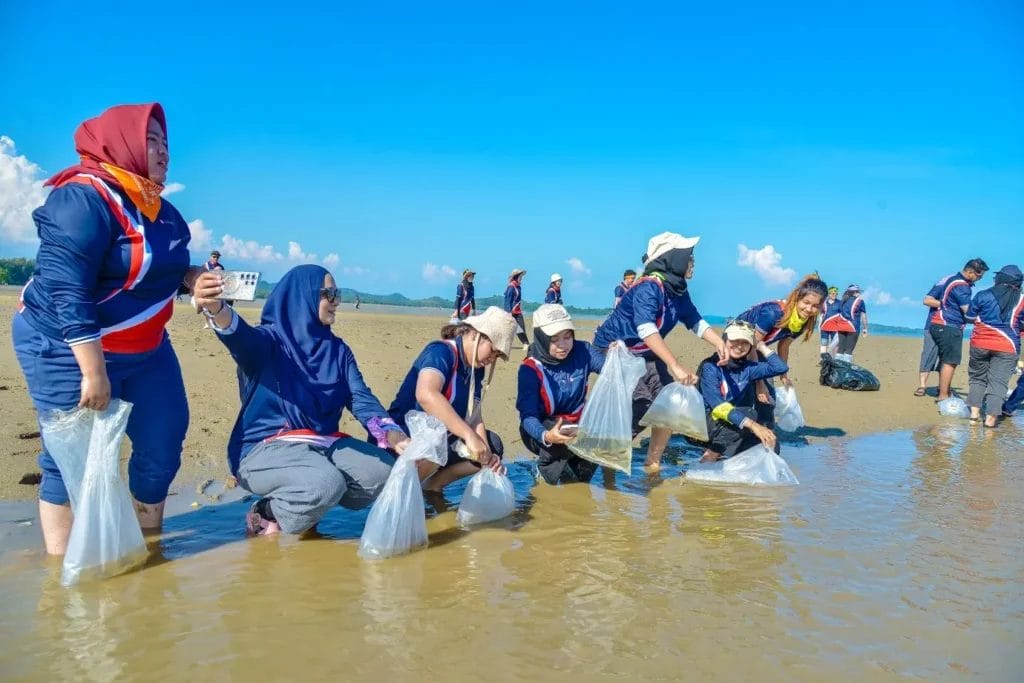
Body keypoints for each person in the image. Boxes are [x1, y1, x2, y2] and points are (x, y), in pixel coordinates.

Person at [11, 103, 196, 554]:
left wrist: (193, 280)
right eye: (151, 141)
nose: (163, 152)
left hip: (148, 351)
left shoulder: (161, 210)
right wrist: (93, 371)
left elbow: (165, 267)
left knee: (163, 441)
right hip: (66, 348)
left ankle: (149, 545)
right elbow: (65, 285)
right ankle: (63, 569)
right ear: (122, 143)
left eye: (166, 144)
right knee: (71, 456)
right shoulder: (82, 198)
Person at [193, 264, 410, 536]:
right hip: (266, 446)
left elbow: (359, 397)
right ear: (301, 296)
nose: (336, 302)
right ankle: (265, 512)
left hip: (321, 442)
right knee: (323, 483)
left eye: (338, 294)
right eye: (328, 294)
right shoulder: (269, 342)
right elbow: (238, 336)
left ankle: (304, 501)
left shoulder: (338, 351)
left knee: (382, 472)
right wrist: (216, 308)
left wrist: (390, 432)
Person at [592, 231, 727, 469]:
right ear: (673, 259)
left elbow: (694, 320)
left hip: (644, 352)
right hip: (615, 350)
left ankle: (652, 462)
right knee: (644, 403)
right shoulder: (648, 287)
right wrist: (674, 365)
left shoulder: (677, 289)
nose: (693, 263)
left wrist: (719, 343)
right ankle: (608, 454)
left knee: (669, 401)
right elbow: (646, 329)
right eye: (689, 257)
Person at [388, 307, 515, 491]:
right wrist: (469, 436)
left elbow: (475, 415)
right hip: (403, 439)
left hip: (444, 439)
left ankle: (432, 487)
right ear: (475, 335)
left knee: (493, 446)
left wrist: (486, 454)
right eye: (493, 351)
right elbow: (426, 394)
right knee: (435, 445)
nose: (492, 359)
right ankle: (403, 490)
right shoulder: (441, 352)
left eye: (497, 356)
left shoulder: (476, 368)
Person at [516, 305, 607, 484]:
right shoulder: (530, 369)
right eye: (554, 339)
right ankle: (543, 471)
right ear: (541, 338)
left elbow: (609, 368)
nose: (563, 345)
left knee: (581, 480)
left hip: (577, 425)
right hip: (542, 432)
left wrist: (616, 354)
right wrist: (546, 436)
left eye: (567, 337)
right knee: (560, 438)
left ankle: (577, 475)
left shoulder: (583, 351)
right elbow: (527, 417)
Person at [697, 321, 786, 462]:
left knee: (771, 443)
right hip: (703, 426)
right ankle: (707, 460)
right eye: (734, 340)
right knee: (749, 414)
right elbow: (718, 407)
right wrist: (754, 425)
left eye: (745, 342)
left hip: (729, 424)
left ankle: (726, 461)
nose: (739, 346)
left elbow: (780, 368)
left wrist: (761, 345)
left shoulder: (747, 368)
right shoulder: (710, 367)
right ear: (724, 340)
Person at [734, 274, 829, 405]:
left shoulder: (801, 321)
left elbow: (784, 346)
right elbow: (752, 344)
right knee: (745, 390)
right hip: (737, 345)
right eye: (806, 303)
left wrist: (783, 375)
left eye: (815, 306)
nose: (809, 309)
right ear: (797, 298)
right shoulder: (773, 313)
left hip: (757, 347)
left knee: (768, 399)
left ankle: (765, 422)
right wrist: (759, 383)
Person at [965, 265, 1024, 427]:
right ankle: (990, 421)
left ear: (1000, 279)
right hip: (1008, 345)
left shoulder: (983, 295)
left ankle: (974, 416)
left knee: (977, 379)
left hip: (980, 342)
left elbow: (969, 316)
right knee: (998, 383)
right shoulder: (1022, 300)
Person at [924, 258, 989, 400]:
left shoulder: (954, 280)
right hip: (948, 325)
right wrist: (984, 320)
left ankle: (944, 391)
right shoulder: (961, 286)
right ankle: (943, 395)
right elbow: (968, 312)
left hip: (941, 325)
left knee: (946, 360)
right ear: (971, 272)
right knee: (950, 361)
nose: (980, 279)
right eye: (979, 276)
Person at [833, 284, 868, 363]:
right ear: (856, 292)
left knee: (840, 349)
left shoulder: (842, 301)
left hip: (841, 327)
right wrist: (865, 328)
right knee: (849, 350)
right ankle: (846, 369)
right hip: (853, 327)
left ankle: (837, 367)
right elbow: (864, 317)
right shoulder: (860, 301)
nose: (859, 293)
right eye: (859, 291)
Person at [914, 299, 942, 397]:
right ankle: (922, 385)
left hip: (952, 327)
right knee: (928, 355)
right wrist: (948, 304)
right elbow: (927, 301)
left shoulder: (963, 286)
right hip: (932, 325)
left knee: (946, 359)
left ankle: (942, 387)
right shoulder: (941, 284)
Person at [504, 268, 530, 349]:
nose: (521, 278)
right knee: (510, 329)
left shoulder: (518, 286)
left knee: (521, 328)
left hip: (518, 311)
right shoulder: (511, 287)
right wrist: (508, 312)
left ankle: (526, 343)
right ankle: (507, 344)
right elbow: (508, 300)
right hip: (511, 312)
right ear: (516, 277)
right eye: (520, 276)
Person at [818, 286, 840, 356]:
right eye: (833, 293)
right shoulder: (824, 303)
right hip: (824, 327)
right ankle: (823, 359)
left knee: (835, 344)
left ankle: (834, 359)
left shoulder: (840, 303)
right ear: (829, 294)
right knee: (824, 343)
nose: (835, 295)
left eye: (836, 294)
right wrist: (819, 326)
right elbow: (821, 315)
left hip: (836, 327)